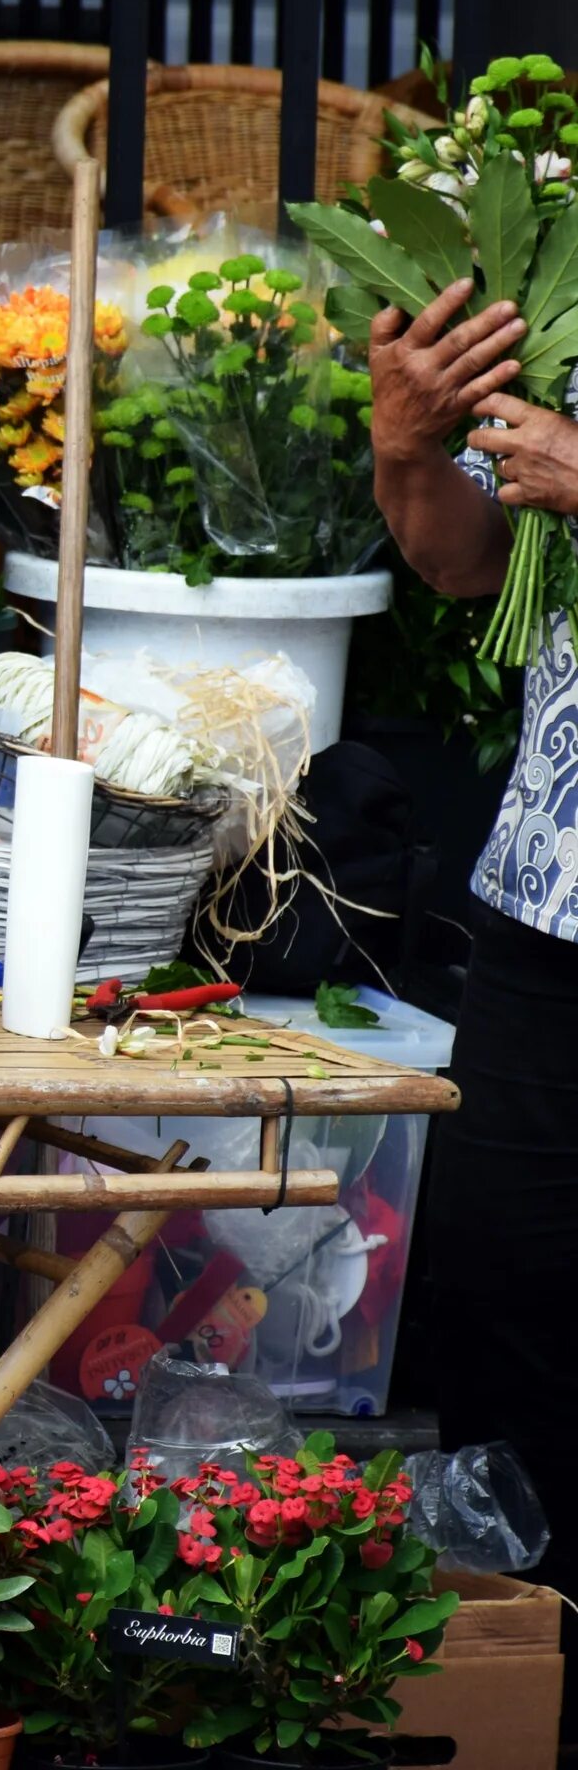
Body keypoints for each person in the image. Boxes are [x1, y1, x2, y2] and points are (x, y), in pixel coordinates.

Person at [371, 279, 578, 1607]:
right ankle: (527, 1675)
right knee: (509, 1296)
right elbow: (468, 559)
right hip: (551, 891)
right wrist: (408, 445)